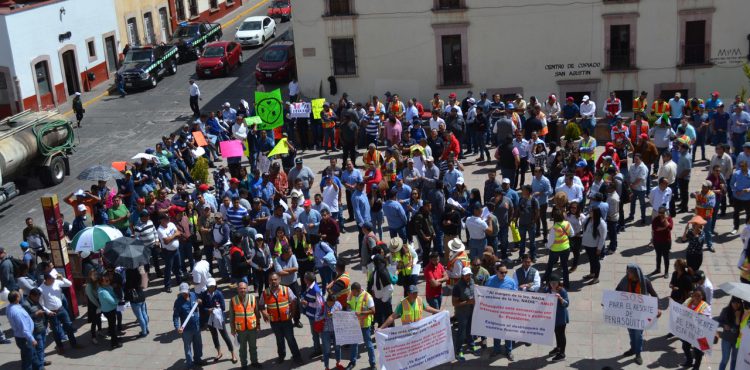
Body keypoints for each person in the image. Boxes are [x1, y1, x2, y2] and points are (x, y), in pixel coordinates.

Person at [615, 263, 661, 365]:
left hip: (641, 314)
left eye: (629, 272)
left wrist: (657, 309)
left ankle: (638, 353)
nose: (627, 273)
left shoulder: (645, 282)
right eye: (627, 272)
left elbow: (654, 295)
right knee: (631, 332)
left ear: (635, 273)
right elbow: (617, 291)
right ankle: (632, 349)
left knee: (638, 334)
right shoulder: (625, 280)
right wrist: (609, 302)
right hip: (629, 312)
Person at [260, 272, 302, 364]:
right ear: (268, 281)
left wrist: (293, 313)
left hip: (286, 320)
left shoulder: (286, 289)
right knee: (279, 340)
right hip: (274, 322)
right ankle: (281, 356)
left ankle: (297, 357)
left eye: (275, 279)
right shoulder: (265, 293)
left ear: (279, 280)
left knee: (291, 339)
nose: (273, 281)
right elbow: (261, 305)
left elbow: (294, 300)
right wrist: (264, 313)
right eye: (271, 280)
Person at [199, 278, 236, 364]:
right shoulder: (204, 295)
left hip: (219, 318)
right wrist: (208, 310)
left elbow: (223, 307)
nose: (212, 288)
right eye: (210, 286)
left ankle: (233, 353)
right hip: (210, 318)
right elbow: (202, 308)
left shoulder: (219, 294)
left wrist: (215, 310)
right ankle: (219, 352)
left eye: (213, 286)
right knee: (214, 335)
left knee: (225, 335)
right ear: (207, 287)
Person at [39, 273, 78, 353]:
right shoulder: (41, 289)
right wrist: (48, 312)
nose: (54, 280)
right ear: (47, 279)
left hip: (61, 309)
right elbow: (41, 304)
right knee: (56, 331)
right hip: (52, 313)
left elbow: (69, 284)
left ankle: (74, 344)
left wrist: (62, 278)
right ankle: (60, 347)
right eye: (52, 279)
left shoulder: (56, 282)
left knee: (69, 326)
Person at [486, 263, 518, 360]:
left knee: (508, 332)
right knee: (496, 331)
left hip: (507, 312)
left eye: (505, 272)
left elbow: (516, 296)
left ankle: (508, 351)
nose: (504, 274)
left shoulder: (511, 282)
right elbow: (486, 293)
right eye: (501, 272)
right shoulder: (490, 280)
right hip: (495, 312)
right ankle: (496, 349)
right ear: (496, 272)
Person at [229, 282, 262, 369]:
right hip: (241, 329)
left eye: (244, 288)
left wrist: (258, 325)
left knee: (253, 347)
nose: (242, 290)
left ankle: (254, 362)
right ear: (237, 289)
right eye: (240, 288)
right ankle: (244, 365)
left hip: (252, 328)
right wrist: (232, 329)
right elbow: (231, 316)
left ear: (247, 289)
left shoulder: (253, 298)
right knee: (242, 349)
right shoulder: (233, 300)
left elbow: (257, 313)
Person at [7, 290, 40, 370]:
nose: (21, 295)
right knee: (28, 361)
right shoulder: (17, 312)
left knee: (32, 355)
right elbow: (24, 328)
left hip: (21, 338)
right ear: (17, 298)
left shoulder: (10, 307)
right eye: (19, 295)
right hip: (25, 339)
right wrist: (32, 339)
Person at [173, 282, 204, 368]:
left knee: (198, 344)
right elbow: (175, 316)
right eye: (182, 292)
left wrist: (200, 302)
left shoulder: (193, 295)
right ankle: (190, 364)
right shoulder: (178, 302)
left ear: (189, 290)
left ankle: (198, 359)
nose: (184, 294)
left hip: (196, 326)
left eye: (186, 292)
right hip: (186, 329)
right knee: (187, 347)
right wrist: (177, 327)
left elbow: (198, 303)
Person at [346, 282, 376, 370]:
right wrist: (349, 309)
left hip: (365, 325)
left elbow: (373, 311)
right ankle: (352, 362)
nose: (352, 294)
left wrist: (361, 313)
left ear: (358, 290)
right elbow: (348, 303)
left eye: (354, 292)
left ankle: (373, 363)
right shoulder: (351, 294)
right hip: (354, 324)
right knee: (353, 344)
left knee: (369, 345)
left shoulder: (368, 297)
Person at [681, 289, 711, 369]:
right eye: (695, 295)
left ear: (702, 296)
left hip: (700, 332)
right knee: (685, 347)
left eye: (699, 296)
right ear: (692, 295)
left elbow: (708, 320)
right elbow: (681, 310)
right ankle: (689, 361)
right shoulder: (688, 301)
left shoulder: (705, 306)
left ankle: (696, 366)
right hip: (688, 330)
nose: (697, 297)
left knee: (698, 351)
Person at [544, 209, 573, 289]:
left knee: (550, 266)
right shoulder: (567, 224)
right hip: (566, 248)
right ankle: (566, 284)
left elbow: (550, 242)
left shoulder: (554, 228)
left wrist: (546, 246)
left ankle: (547, 281)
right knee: (565, 267)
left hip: (555, 250)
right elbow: (572, 234)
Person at [21, 288, 49, 368]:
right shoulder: (25, 305)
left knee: (42, 346)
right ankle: (40, 366)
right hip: (35, 330)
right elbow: (25, 318)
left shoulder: (37, 301)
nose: (38, 299)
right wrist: (36, 314)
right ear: (31, 295)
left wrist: (46, 321)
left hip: (42, 327)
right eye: (37, 297)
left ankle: (41, 361)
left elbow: (42, 311)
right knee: (39, 348)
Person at [452, 267, 476, 362]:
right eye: (466, 275)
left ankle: (471, 345)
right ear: (462, 276)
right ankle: (458, 351)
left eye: (469, 275)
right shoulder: (457, 286)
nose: (468, 277)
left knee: (470, 329)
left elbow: (474, 289)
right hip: (462, 313)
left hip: (471, 311)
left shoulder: (472, 281)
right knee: (461, 333)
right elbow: (454, 303)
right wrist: (467, 302)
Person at [545, 273, 570, 361]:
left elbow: (567, 304)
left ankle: (562, 353)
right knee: (556, 333)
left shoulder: (562, 291)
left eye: (555, 283)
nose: (553, 285)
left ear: (558, 283)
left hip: (561, 317)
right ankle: (558, 348)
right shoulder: (547, 290)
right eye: (552, 283)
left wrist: (560, 299)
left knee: (561, 334)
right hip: (552, 317)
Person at [157, 214, 182, 293]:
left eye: (168, 218)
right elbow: (166, 241)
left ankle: (179, 281)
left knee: (178, 266)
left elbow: (179, 232)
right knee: (168, 269)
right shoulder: (160, 230)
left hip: (176, 249)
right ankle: (167, 286)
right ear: (161, 220)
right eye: (166, 219)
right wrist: (174, 235)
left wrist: (172, 237)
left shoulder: (171, 224)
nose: (168, 220)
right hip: (168, 252)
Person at [716, 297, 742, 370]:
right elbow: (718, 321)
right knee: (725, 359)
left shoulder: (743, 312)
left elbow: (741, 327)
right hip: (726, 339)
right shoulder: (726, 311)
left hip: (737, 340)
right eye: (734, 302)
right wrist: (724, 325)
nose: (736, 305)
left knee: (734, 359)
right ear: (731, 302)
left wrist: (738, 317)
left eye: (738, 303)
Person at [320, 294, 344, 370]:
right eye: (330, 303)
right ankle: (326, 367)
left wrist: (338, 313)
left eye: (333, 303)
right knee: (326, 349)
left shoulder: (338, 304)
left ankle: (338, 362)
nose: (331, 305)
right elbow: (316, 317)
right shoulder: (322, 306)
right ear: (327, 301)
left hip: (336, 330)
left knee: (337, 347)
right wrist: (325, 316)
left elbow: (342, 315)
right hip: (325, 331)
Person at [97, 273, 121, 350]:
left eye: (108, 280)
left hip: (110, 309)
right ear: (101, 282)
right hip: (109, 311)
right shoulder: (103, 292)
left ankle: (114, 338)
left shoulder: (107, 287)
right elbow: (112, 301)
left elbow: (113, 294)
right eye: (106, 281)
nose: (108, 282)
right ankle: (114, 343)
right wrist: (119, 300)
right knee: (113, 326)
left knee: (111, 325)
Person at [125, 265, 149, 338]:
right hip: (141, 294)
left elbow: (128, 285)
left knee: (139, 316)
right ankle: (147, 329)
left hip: (135, 297)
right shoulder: (139, 271)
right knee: (144, 313)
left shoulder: (128, 272)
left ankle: (144, 332)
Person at [651, 207, 673, 278]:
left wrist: (665, 220)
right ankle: (658, 269)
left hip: (666, 241)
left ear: (665, 213)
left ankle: (666, 272)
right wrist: (664, 228)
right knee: (658, 256)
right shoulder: (655, 219)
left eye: (662, 213)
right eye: (659, 212)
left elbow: (670, 228)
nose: (660, 214)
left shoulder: (669, 219)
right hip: (657, 241)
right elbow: (655, 229)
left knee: (666, 257)